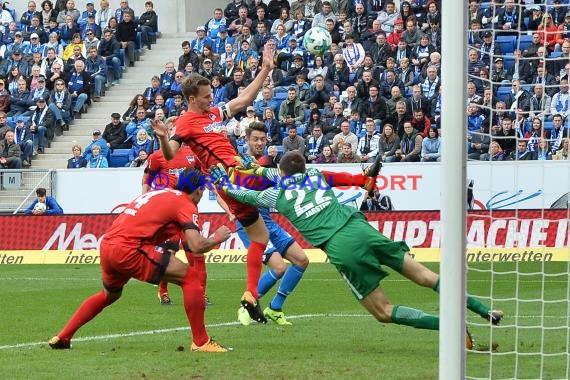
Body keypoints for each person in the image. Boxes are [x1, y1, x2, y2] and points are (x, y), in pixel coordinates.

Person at [210, 151, 504, 349]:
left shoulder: (276, 194)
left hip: (340, 246)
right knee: (426, 275)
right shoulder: (313, 172)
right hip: (360, 227)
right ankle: (483, 309)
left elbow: (244, 194)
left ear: (281, 173)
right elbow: (280, 172)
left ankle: (450, 328)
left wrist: (224, 181)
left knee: (384, 312)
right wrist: (256, 166)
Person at [150, 43, 276, 324]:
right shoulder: (184, 122)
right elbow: (170, 152)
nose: (211, 99)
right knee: (288, 179)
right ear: (192, 98)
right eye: (206, 96)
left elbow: (243, 100)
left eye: (211, 95)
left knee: (260, 238)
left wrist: (265, 69)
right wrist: (161, 136)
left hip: (235, 178)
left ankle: (250, 294)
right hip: (230, 176)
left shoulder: (214, 115)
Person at [48, 167, 233, 352]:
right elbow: (196, 246)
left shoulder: (159, 193)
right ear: (199, 189)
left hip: (108, 245)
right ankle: (201, 342)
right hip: (129, 248)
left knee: (109, 295)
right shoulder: (185, 202)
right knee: (191, 278)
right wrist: (217, 237)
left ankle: (63, 336)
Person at [234, 122, 309, 325]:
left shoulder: (268, 164)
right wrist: (229, 211)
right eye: (255, 139)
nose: (259, 143)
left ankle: (275, 308)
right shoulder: (237, 162)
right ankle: (246, 304)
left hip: (268, 221)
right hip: (249, 223)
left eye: (263, 139)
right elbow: (220, 188)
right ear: (246, 140)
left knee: (301, 260)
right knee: (278, 267)